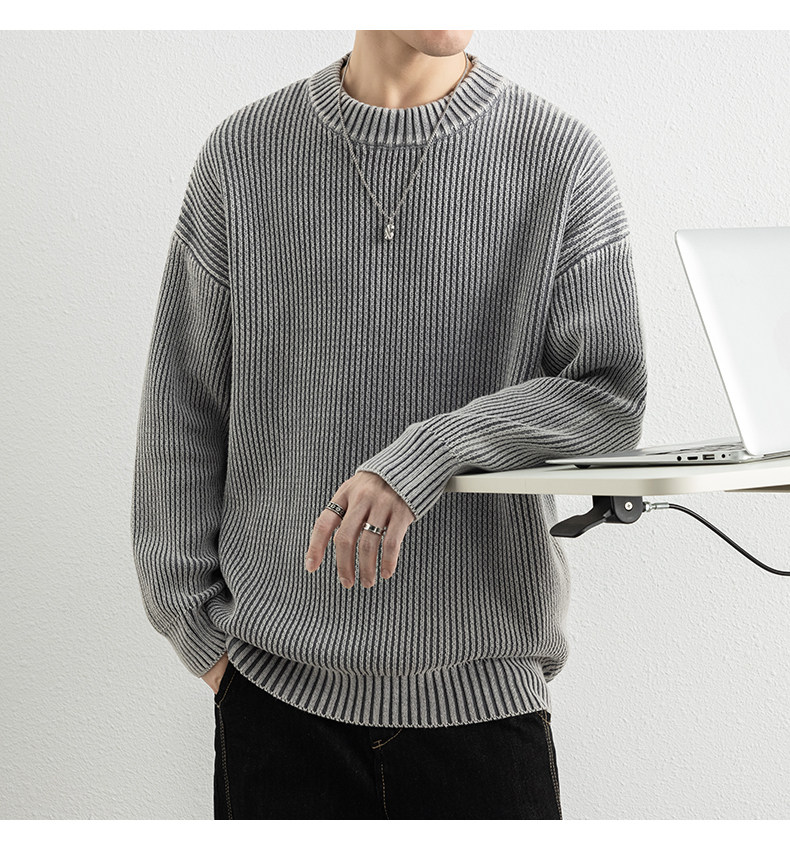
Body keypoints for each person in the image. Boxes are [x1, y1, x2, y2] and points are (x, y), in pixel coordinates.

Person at [131, 29, 648, 819]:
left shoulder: (558, 159)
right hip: (274, 706)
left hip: (483, 706)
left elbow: (608, 399)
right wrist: (197, 631)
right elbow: (184, 406)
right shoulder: (245, 155)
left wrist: (428, 452)